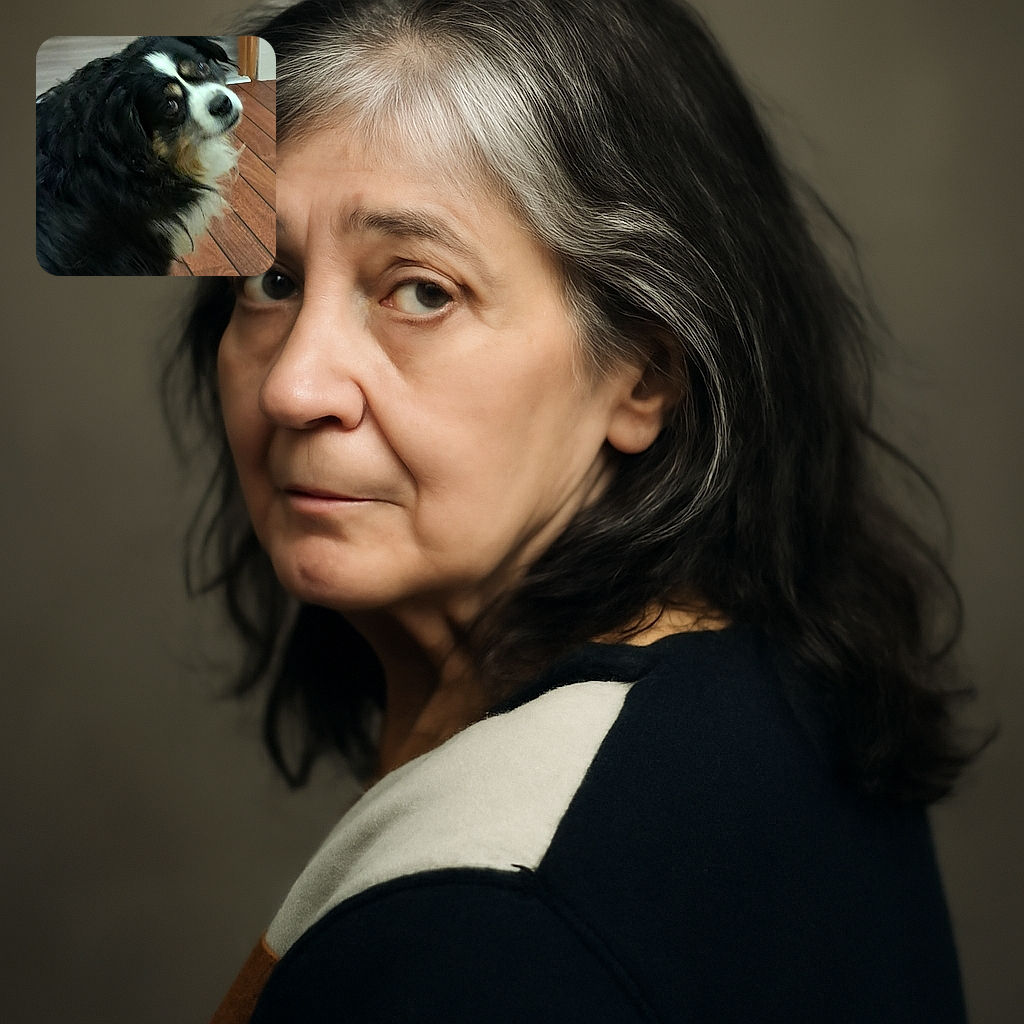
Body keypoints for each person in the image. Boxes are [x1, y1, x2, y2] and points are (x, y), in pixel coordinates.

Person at [167, 1, 978, 1020]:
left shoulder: (486, 928)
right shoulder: (768, 691)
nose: (293, 387)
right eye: (270, 279)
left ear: (643, 372)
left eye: (420, 291)